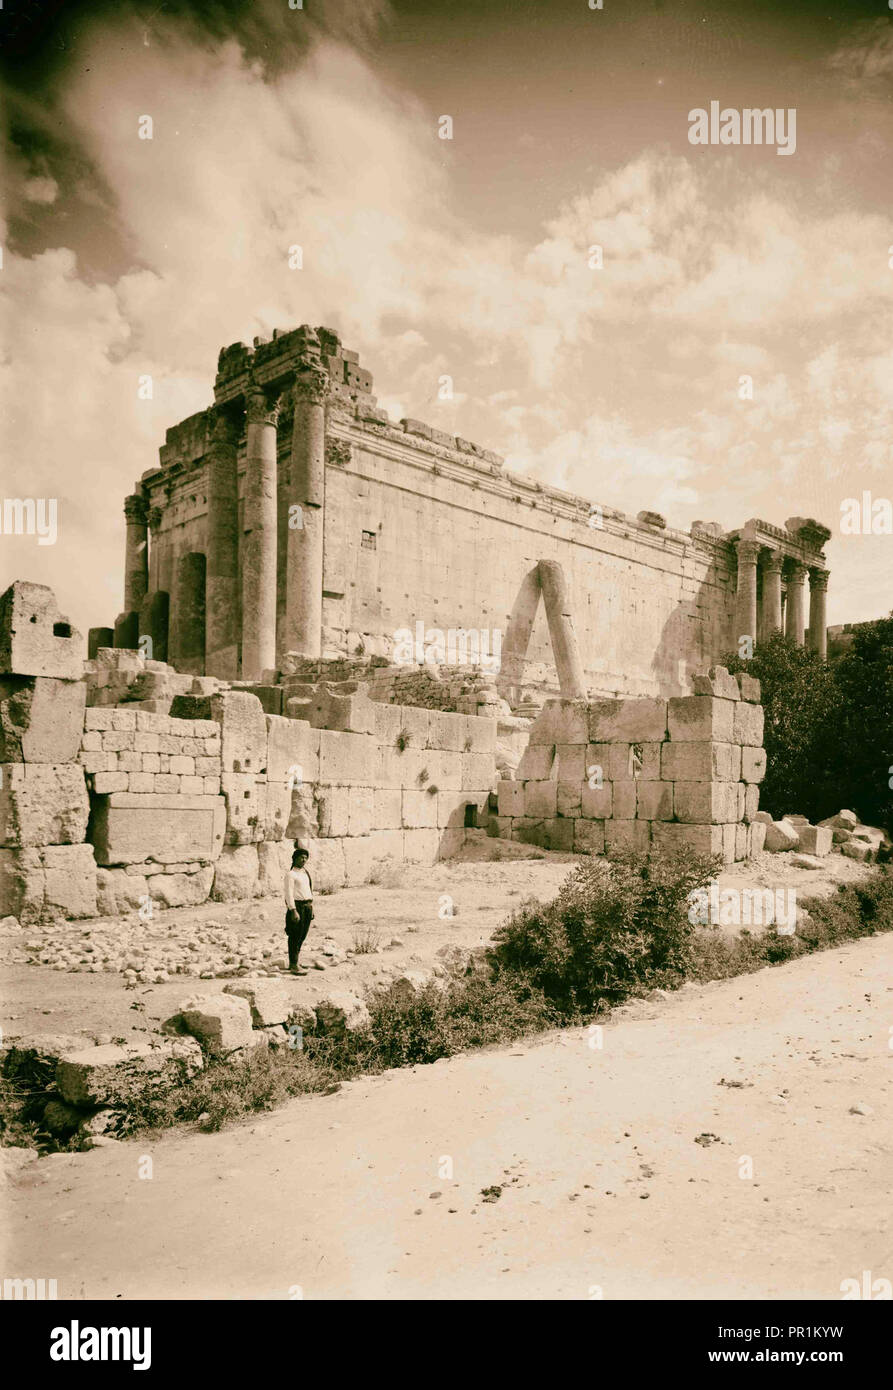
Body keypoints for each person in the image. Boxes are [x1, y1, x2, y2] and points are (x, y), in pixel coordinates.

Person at [284, 845, 313, 976]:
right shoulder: (291, 874)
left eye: (305, 858)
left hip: (307, 906)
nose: (303, 860)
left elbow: (308, 891)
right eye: (301, 857)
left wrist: (311, 908)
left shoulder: (305, 873)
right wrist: (293, 910)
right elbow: (288, 894)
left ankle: (296, 961)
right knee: (295, 936)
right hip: (297, 907)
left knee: (302, 935)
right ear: (295, 859)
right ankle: (293, 964)